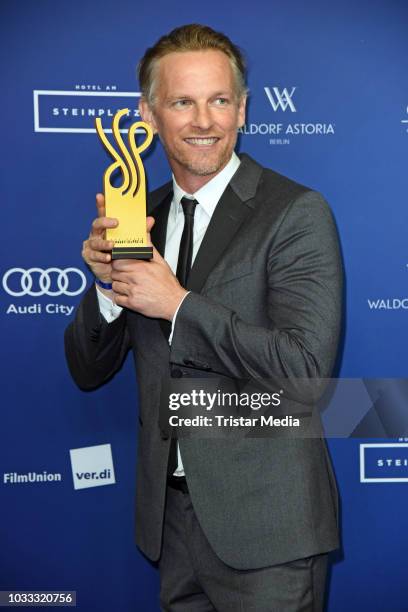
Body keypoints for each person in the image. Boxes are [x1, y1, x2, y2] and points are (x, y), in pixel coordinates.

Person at [65, 23, 342, 611]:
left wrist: (178, 304)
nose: (204, 121)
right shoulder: (140, 216)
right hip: (173, 525)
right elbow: (87, 371)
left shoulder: (294, 212)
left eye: (220, 101)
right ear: (148, 116)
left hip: (269, 532)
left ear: (243, 111)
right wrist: (111, 287)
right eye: (182, 102)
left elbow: (307, 372)